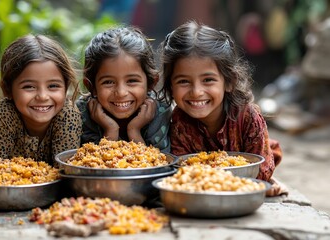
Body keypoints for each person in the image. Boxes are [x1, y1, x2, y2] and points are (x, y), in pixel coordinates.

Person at [158, 21, 284, 195]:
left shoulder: (248, 116)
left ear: (229, 82)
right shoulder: (179, 122)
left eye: (208, 80)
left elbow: (261, 171)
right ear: (170, 86)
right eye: (183, 81)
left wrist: (261, 181)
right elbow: (183, 171)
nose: (196, 92)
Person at [0, 34, 82, 167]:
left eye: (53, 86)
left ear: (65, 88)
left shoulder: (68, 115)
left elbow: (66, 173)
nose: (42, 96)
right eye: (29, 87)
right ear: (7, 90)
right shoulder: (2, 115)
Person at [77, 26, 171, 152]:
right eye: (108, 82)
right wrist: (110, 130)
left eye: (132, 81)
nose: (121, 93)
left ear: (151, 83)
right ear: (91, 86)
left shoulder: (160, 111)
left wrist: (134, 131)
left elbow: (160, 164)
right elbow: (92, 165)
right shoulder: (83, 113)